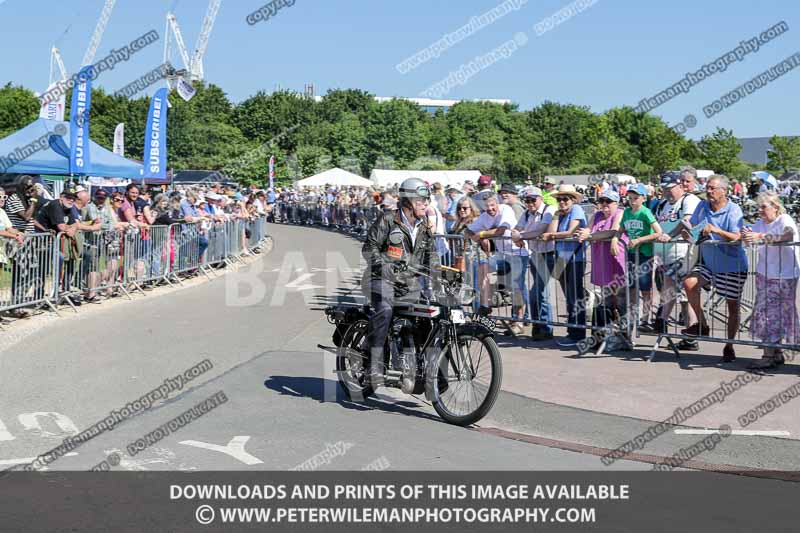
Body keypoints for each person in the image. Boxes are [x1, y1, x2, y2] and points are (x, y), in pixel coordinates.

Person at [361, 178, 441, 387]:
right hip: (380, 280)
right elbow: (369, 249)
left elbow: (431, 256)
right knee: (385, 310)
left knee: (431, 316)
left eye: (427, 199)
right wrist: (386, 267)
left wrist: (442, 274)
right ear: (407, 202)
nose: (426, 204)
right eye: (421, 200)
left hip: (408, 285)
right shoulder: (388, 220)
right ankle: (373, 366)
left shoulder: (423, 227)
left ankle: (428, 373)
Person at [682, 175, 748, 362]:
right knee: (689, 282)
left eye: (712, 188)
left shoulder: (734, 210)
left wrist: (716, 230)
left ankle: (729, 345)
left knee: (732, 307)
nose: (709, 191)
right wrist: (689, 233)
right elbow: (693, 226)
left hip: (731, 265)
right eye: (707, 188)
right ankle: (702, 324)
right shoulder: (702, 206)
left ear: (724, 191)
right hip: (709, 263)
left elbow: (737, 237)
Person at [743, 191, 800, 369]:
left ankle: (768, 356)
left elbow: (787, 236)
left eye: (763, 207)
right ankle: (775, 353)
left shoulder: (784, 220)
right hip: (765, 273)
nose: (759, 210)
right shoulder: (760, 223)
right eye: (758, 207)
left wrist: (760, 237)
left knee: (773, 315)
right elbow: (751, 239)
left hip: (784, 276)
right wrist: (746, 236)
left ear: (775, 207)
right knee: (767, 314)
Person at [463, 193, 525, 330]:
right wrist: (475, 236)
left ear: (497, 203)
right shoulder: (484, 217)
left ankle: (518, 321)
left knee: (516, 286)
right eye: (487, 207)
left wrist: (481, 234)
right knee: (483, 271)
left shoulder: (506, 210)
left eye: (492, 205)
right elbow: (467, 231)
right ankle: (486, 307)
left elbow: (501, 231)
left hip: (518, 253)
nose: (490, 209)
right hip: (501, 254)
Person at [652, 172, 701, 343]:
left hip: (684, 253)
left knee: (684, 295)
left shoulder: (689, 200)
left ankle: (672, 323)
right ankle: (677, 328)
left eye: (670, 188)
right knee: (673, 291)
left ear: (679, 185)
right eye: (664, 189)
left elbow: (687, 222)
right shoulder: (662, 204)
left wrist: (670, 235)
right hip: (664, 256)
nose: (667, 192)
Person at [541, 185, 587, 346]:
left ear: (573, 199)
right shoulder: (558, 214)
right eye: (559, 199)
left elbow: (569, 232)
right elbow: (552, 231)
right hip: (561, 256)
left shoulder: (577, 210)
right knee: (568, 297)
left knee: (575, 296)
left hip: (575, 258)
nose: (561, 202)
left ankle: (578, 333)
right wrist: (555, 218)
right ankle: (572, 330)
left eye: (565, 199)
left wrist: (551, 235)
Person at [576, 189, 627, 332]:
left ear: (616, 203)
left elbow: (613, 231)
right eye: (602, 201)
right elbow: (587, 229)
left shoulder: (620, 213)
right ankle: (607, 333)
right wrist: (585, 233)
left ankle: (625, 334)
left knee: (621, 298)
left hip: (616, 259)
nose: (604, 204)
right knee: (607, 298)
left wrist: (590, 236)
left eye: (608, 201)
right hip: (601, 261)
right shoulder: (597, 215)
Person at [512, 187, 556, 340]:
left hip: (549, 255)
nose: (530, 203)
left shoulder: (549, 210)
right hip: (535, 254)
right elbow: (515, 229)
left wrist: (520, 236)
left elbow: (539, 231)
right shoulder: (526, 213)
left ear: (540, 198)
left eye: (533, 200)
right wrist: (516, 235)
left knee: (536, 293)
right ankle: (541, 328)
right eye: (527, 200)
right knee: (541, 294)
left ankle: (544, 326)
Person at [619, 183, 662, 331]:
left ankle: (645, 317)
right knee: (631, 286)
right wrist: (614, 240)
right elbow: (620, 230)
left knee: (645, 287)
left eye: (635, 198)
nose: (632, 201)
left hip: (645, 253)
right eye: (630, 198)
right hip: (631, 253)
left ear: (643, 198)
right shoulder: (626, 212)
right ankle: (632, 316)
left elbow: (658, 232)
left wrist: (639, 240)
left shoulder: (646, 212)